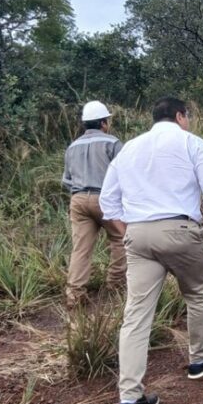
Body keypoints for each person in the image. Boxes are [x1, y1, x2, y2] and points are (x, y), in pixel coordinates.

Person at [99, 96, 203, 404]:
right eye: (187, 117)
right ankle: (199, 360)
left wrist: (130, 232)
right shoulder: (192, 144)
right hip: (180, 230)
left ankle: (130, 398)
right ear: (179, 116)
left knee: (135, 316)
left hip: (138, 235)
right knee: (198, 292)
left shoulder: (128, 149)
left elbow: (108, 202)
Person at [62, 100, 126, 308]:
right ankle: (115, 285)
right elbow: (125, 174)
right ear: (103, 123)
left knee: (81, 249)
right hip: (105, 200)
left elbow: (66, 180)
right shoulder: (113, 143)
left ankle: (75, 295)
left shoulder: (72, 147)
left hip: (78, 200)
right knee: (120, 239)